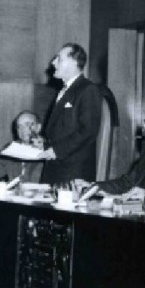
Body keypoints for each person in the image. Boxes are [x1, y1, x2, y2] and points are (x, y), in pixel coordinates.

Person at [38, 43, 103, 184]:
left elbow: (88, 131)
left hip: (73, 173)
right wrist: (43, 143)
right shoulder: (64, 91)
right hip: (54, 169)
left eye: (59, 59)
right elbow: (60, 130)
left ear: (74, 63)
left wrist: (56, 151)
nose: (53, 63)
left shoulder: (88, 89)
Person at [0, 111, 44, 182]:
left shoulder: (49, 151)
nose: (23, 129)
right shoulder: (11, 148)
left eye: (27, 124)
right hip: (14, 192)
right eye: (19, 126)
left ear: (38, 127)